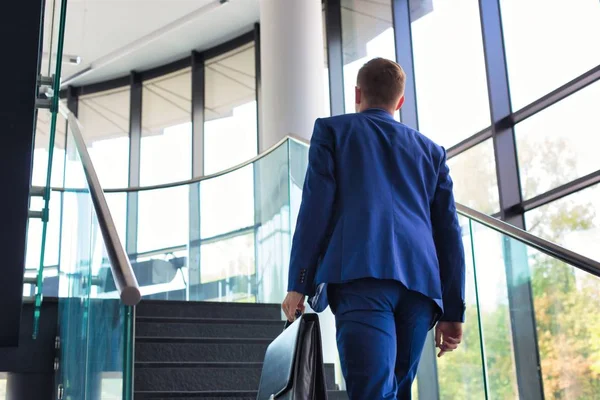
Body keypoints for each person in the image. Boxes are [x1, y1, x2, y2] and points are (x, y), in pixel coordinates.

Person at [282, 58, 466, 399]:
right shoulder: (431, 152)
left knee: (372, 392)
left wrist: (299, 283)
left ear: (357, 93)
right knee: (395, 392)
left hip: (359, 276)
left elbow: (314, 211)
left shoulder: (332, 132)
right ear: (400, 101)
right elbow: (449, 235)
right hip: (420, 290)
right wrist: (453, 310)